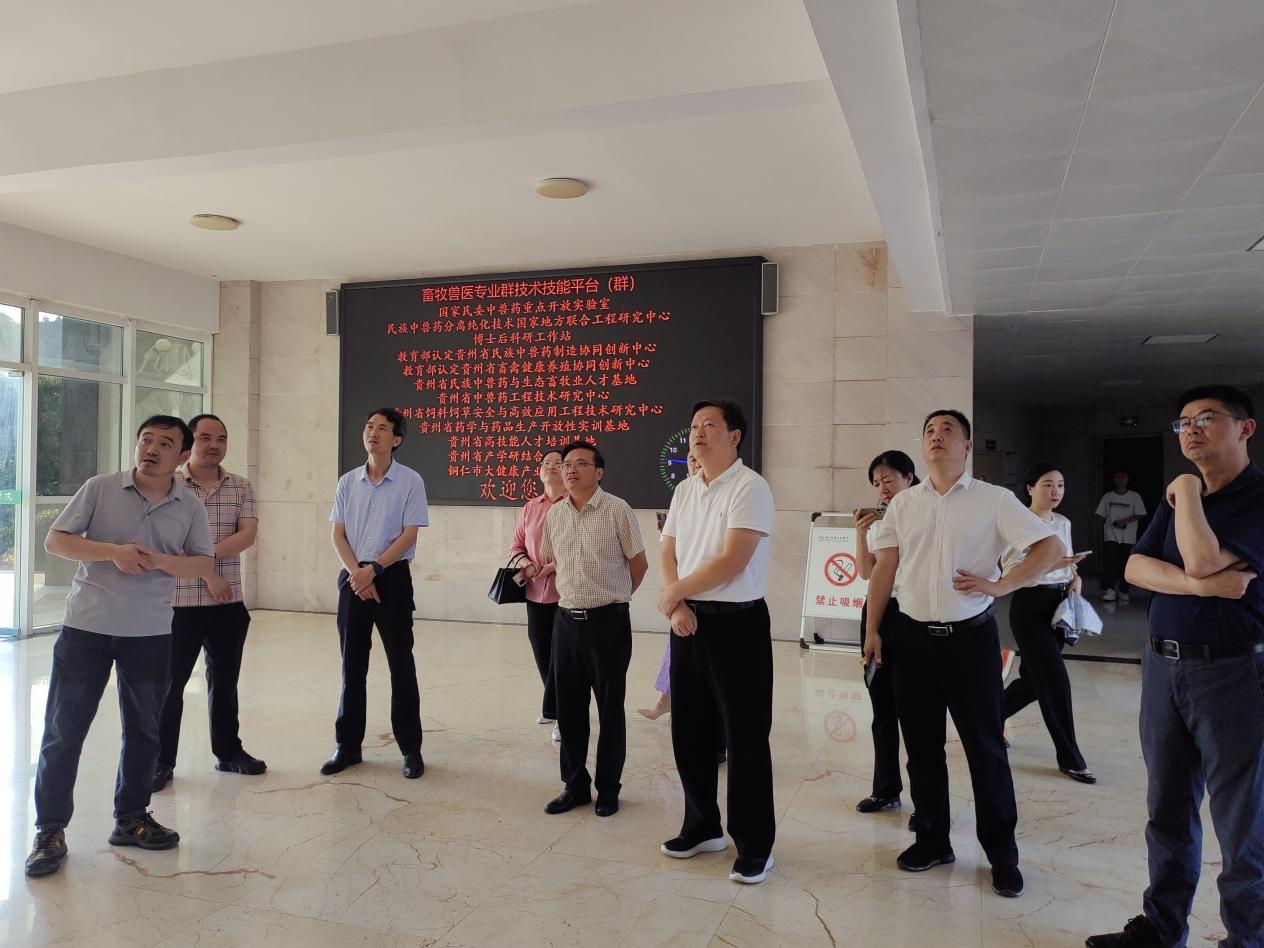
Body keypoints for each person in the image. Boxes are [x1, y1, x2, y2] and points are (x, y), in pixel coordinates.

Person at [1088, 385, 1263, 948]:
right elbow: (1137, 568)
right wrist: (1201, 586)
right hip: (1163, 669)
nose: (1191, 430)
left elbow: (1202, 556)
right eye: (1183, 423)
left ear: (1245, 428)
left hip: (1233, 674)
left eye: (1206, 419)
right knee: (1166, 808)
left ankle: (1248, 939)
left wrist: (1186, 490)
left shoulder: (1253, 497)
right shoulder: (1178, 500)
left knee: (1242, 822)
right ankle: (1162, 929)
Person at [865, 409, 1063, 899]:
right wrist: (872, 630)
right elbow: (884, 568)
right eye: (929, 431)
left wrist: (1002, 585)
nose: (936, 437)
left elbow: (1049, 547)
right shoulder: (904, 503)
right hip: (911, 639)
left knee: (985, 749)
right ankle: (933, 840)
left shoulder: (993, 500)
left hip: (970, 642)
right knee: (922, 748)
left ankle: (1002, 856)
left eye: (947, 430)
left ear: (967, 446)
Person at [24, 416, 215, 878]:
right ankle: (49, 830)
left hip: (150, 632)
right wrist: (113, 552)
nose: (151, 449)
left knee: (145, 730)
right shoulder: (100, 487)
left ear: (182, 456)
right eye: (146, 439)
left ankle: (131, 818)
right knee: (64, 731)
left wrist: (156, 560)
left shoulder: (189, 505)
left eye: (165, 443)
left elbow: (202, 564)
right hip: (86, 628)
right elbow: (56, 540)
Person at [656, 399, 777, 886]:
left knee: (745, 736)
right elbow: (668, 551)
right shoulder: (685, 489)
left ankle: (755, 844)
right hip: (688, 621)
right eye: (693, 427)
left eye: (709, 425)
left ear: (734, 436)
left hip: (738, 625)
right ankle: (702, 826)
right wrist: (677, 604)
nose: (698, 434)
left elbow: (732, 561)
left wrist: (673, 594)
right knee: (690, 730)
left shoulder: (751, 487)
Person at [153, 414, 263, 792]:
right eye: (205, 437)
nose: (214, 445)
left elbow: (246, 536)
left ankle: (228, 752)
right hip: (176, 603)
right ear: (189, 443)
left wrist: (202, 557)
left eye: (221, 438)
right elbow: (168, 544)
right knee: (169, 687)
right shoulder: (169, 485)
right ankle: (160, 761)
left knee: (225, 683)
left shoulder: (241, 486)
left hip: (227, 603)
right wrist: (208, 572)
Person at [539, 440, 647, 818]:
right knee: (569, 710)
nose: (570, 469)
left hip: (608, 624)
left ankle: (609, 789)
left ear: (598, 472)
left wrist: (616, 599)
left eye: (580, 463)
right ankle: (574, 786)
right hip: (566, 622)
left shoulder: (617, 510)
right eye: (566, 463)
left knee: (610, 709)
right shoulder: (554, 514)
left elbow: (639, 565)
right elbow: (555, 559)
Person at [323, 407, 429, 780]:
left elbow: (409, 535)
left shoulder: (411, 481)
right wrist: (358, 573)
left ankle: (411, 749)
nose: (373, 432)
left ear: (396, 439)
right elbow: (337, 533)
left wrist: (375, 570)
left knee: (401, 665)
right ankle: (347, 747)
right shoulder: (347, 482)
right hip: (353, 578)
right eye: (369, 426)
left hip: (391, 578)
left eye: (382, 428)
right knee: (352, 667)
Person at [1000, 462, 1093, 784]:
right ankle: (1070, 757)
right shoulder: (1019, 523)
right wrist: (1053, 563)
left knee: (1034, 680)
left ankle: (987, 718)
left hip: (1059, 604)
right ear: (1030, 488)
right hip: (1030, 606)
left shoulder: (1063, 522)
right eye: (1048, 485)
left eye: (1060, 485)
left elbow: (1068, 564)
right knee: (1054, 680)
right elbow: (1011, 571)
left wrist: (1075, 577)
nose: (1056, 491)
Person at [853, 450, 918, 815]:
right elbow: (867, 573)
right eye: (877, 483)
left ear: (909, 477)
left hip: (912, 613)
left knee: (915, 711)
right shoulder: (879, 519)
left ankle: (926, 802)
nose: (882, 488)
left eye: (889, 479)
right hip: (878, 612)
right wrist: (860, 533)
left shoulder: (921, 514)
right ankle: (885, 789)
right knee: (882, 706)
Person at [507, 449, 567, 743]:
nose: (551, 467)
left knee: (561, 656)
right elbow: (516, 546)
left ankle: (562, 714)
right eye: (546, 463)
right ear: (539, 471)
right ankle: (553, 704)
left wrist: (553, 567)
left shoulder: (574, 504)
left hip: (565, 594)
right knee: (541, 650)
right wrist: (526, 564)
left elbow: (581, 548)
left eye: (558, 463)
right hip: (534, 592)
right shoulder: (531, 507)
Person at [639, 451, 700, 722]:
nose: (697, 463)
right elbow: (668, 551)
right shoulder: (684, 492)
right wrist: (675, 598)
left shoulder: (736, 491)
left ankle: (669, 701)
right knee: (677, 648)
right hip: (681, 590)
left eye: (700, 458)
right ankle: (666, 700)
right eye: (691, 459)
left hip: (708, 592)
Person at [1095, 471, 1147, 603]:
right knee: (1110, 563)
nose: (1120, 479)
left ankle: (1124, 590)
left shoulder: (1134, 496)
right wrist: (1097, 532)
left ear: (1128, 479)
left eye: (1123, 476)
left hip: (1128, 535)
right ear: (1114, 479)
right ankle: (1109, 590)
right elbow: (1100, 515)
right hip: (1110, 534)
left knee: (1126, 564)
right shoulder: (1108, 496)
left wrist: (1125, 521)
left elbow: (1141, 513)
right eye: (1117, 477)